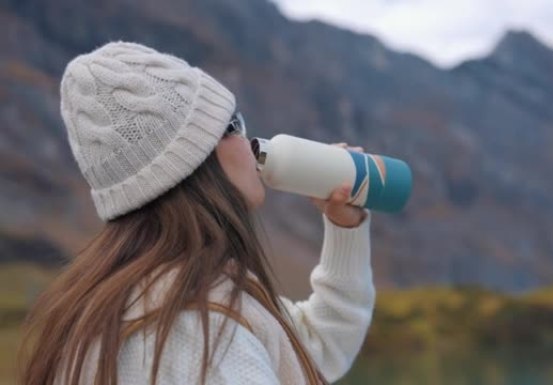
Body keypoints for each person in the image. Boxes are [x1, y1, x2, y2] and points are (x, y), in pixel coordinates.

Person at [18, 42, 374, 385]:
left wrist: (344, 225)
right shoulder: (199, 330)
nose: (252, 143)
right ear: (192, 159)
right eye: (233, 125)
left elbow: (315, 345)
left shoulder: (141, 293)